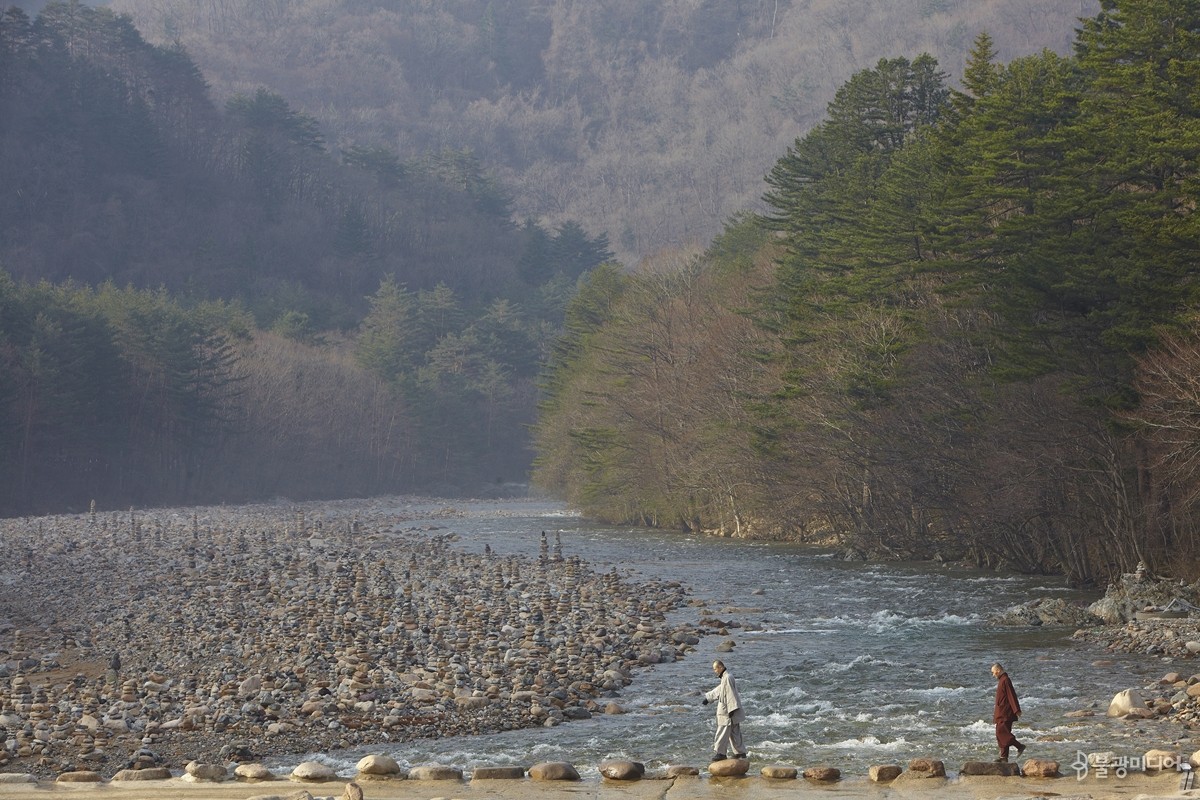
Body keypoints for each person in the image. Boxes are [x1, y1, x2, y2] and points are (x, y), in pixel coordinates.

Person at [702, 659, 747, 761]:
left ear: (720, 667)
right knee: (735, 733)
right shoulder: (726, 678)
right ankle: (740, 753)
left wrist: (731, 709)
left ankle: (721, 753)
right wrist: (708, 698)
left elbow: (731, 693)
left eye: (715, 669)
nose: (714, 671)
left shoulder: (727, 678)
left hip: (727, 711)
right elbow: (720, 689)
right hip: (730, 711)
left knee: (722, 731)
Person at [992, 662, 1025, 762]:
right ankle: (1004, 757)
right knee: (1000, 734)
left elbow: (1011, 696)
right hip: (1001, 713)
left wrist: (1016, 710)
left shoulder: (1005, 680)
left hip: (1005, 713)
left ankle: (1019, 746)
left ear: (998, 671)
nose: (993, 675)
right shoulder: (1002, 680)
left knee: (1002, 733)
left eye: (993, 672)